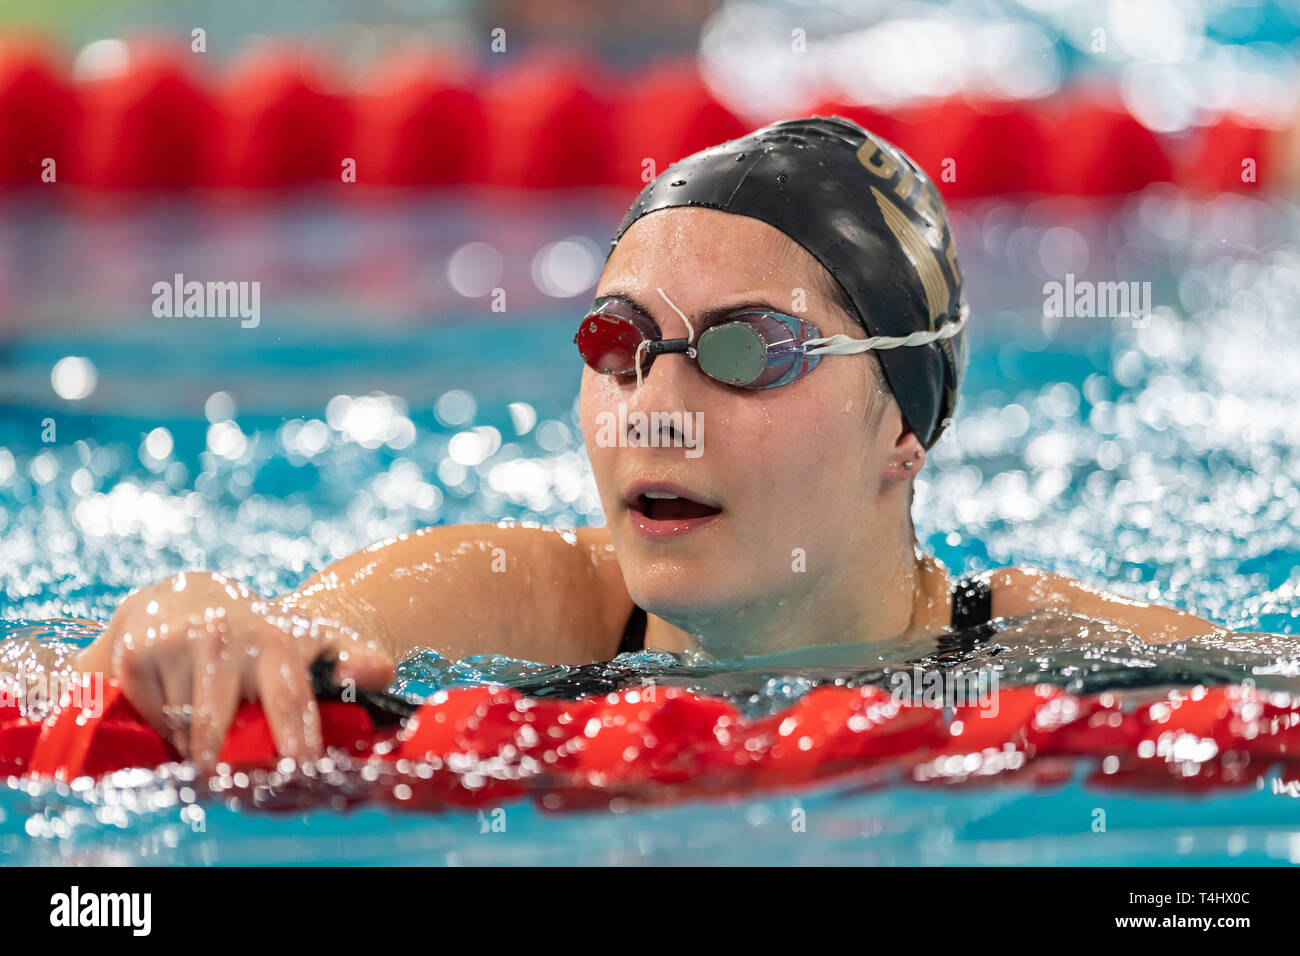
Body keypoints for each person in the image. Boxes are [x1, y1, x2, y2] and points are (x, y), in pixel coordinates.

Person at [70, 116, 1226, 767]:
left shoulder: (1043, 651)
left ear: (900, 434)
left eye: (746, 351)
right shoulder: (511, 599)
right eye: (620, 341)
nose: (654, 405)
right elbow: (269, 639)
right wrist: (178, 621)